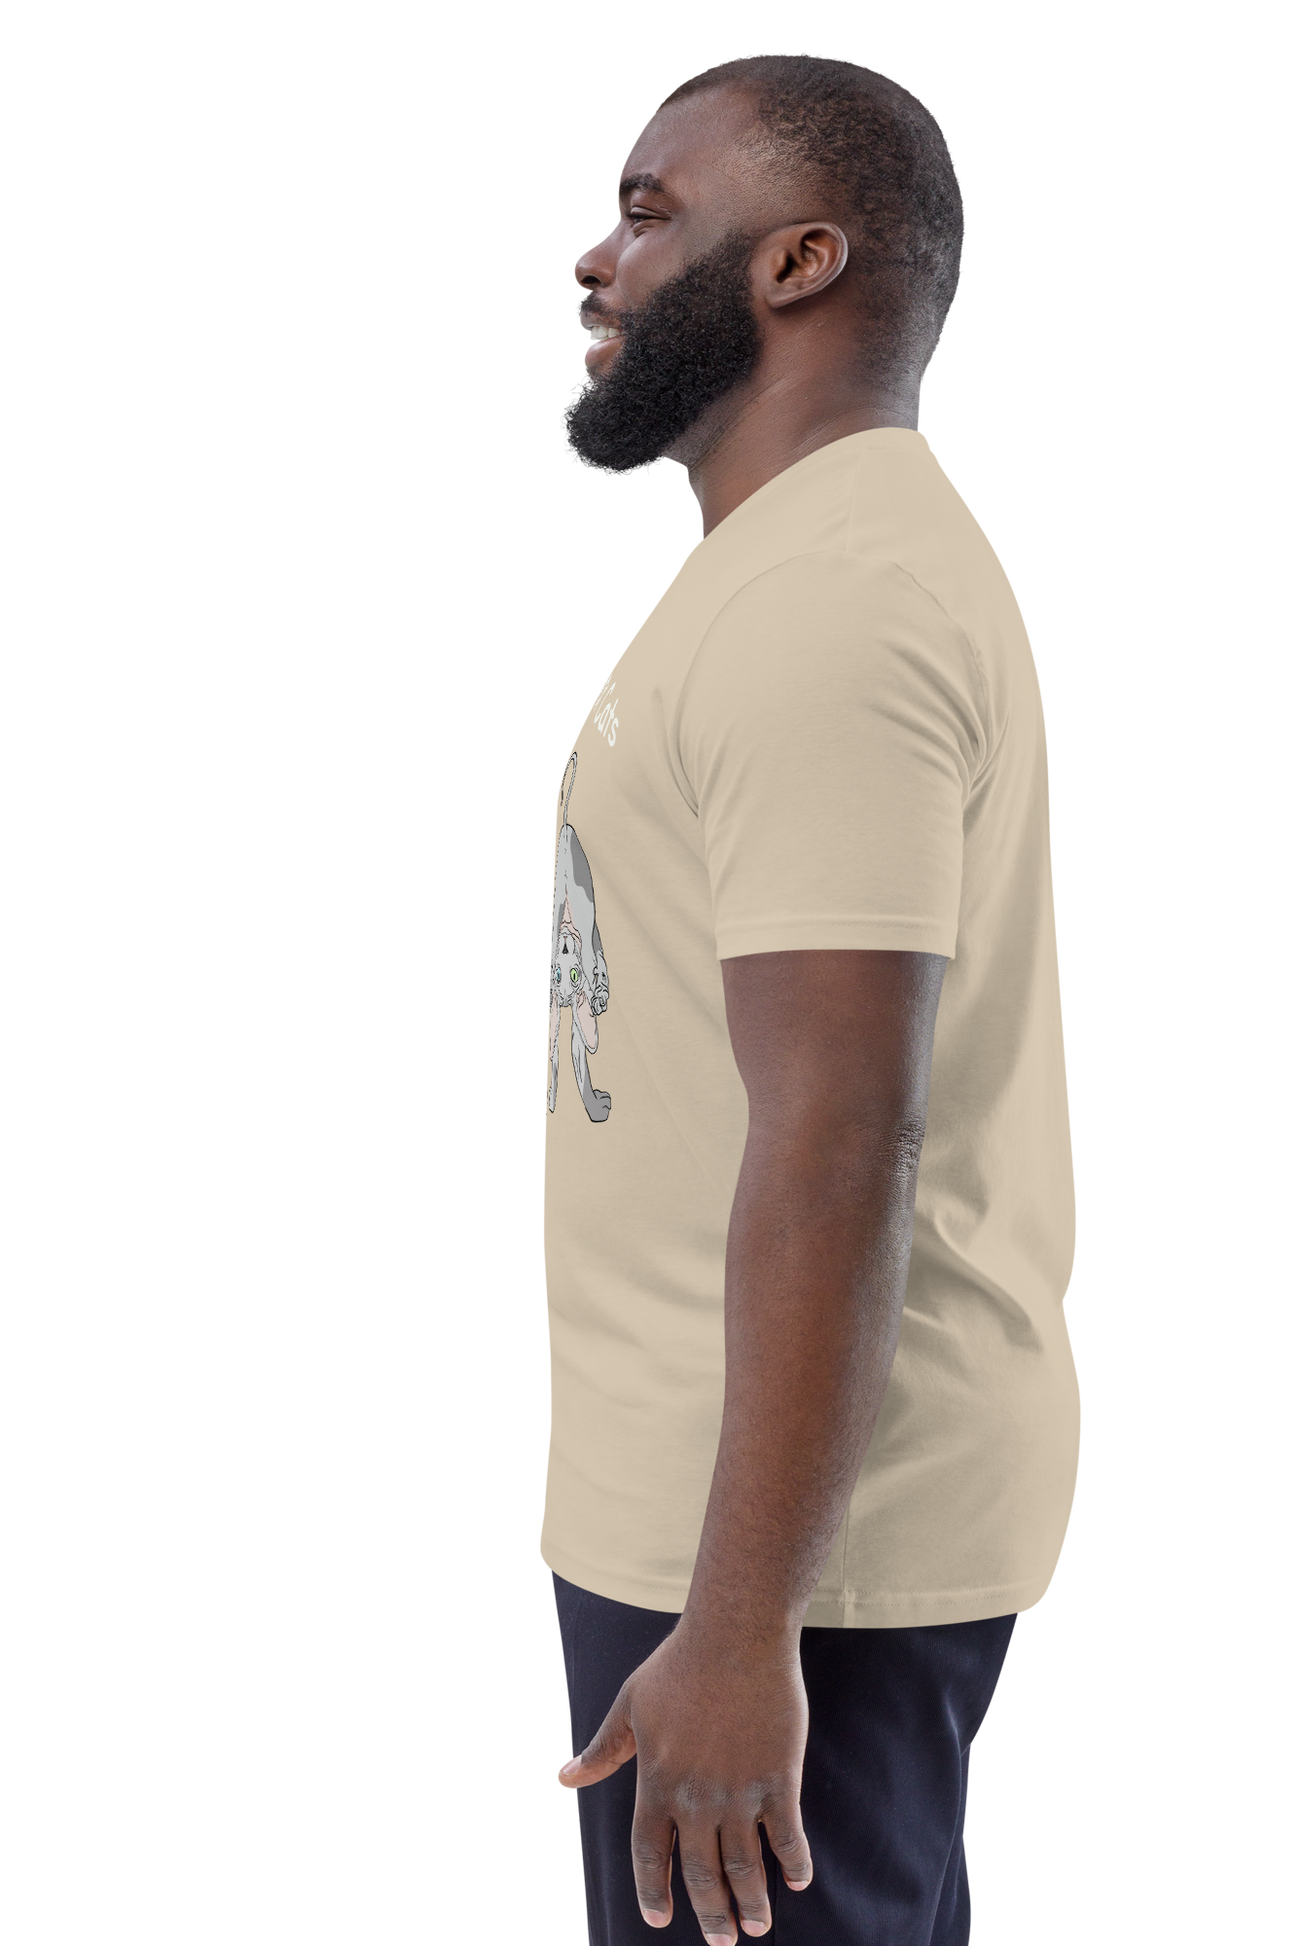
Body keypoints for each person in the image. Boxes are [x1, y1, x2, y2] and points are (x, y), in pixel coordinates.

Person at [542, 50, 1082, 1944]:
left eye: (646, 212)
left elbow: (844, 1131)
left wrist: (738, 1623)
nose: (597, 260)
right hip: (738, 1533)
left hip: (784, 1568)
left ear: (799, 261)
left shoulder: (831, 606)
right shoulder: (783, 570)